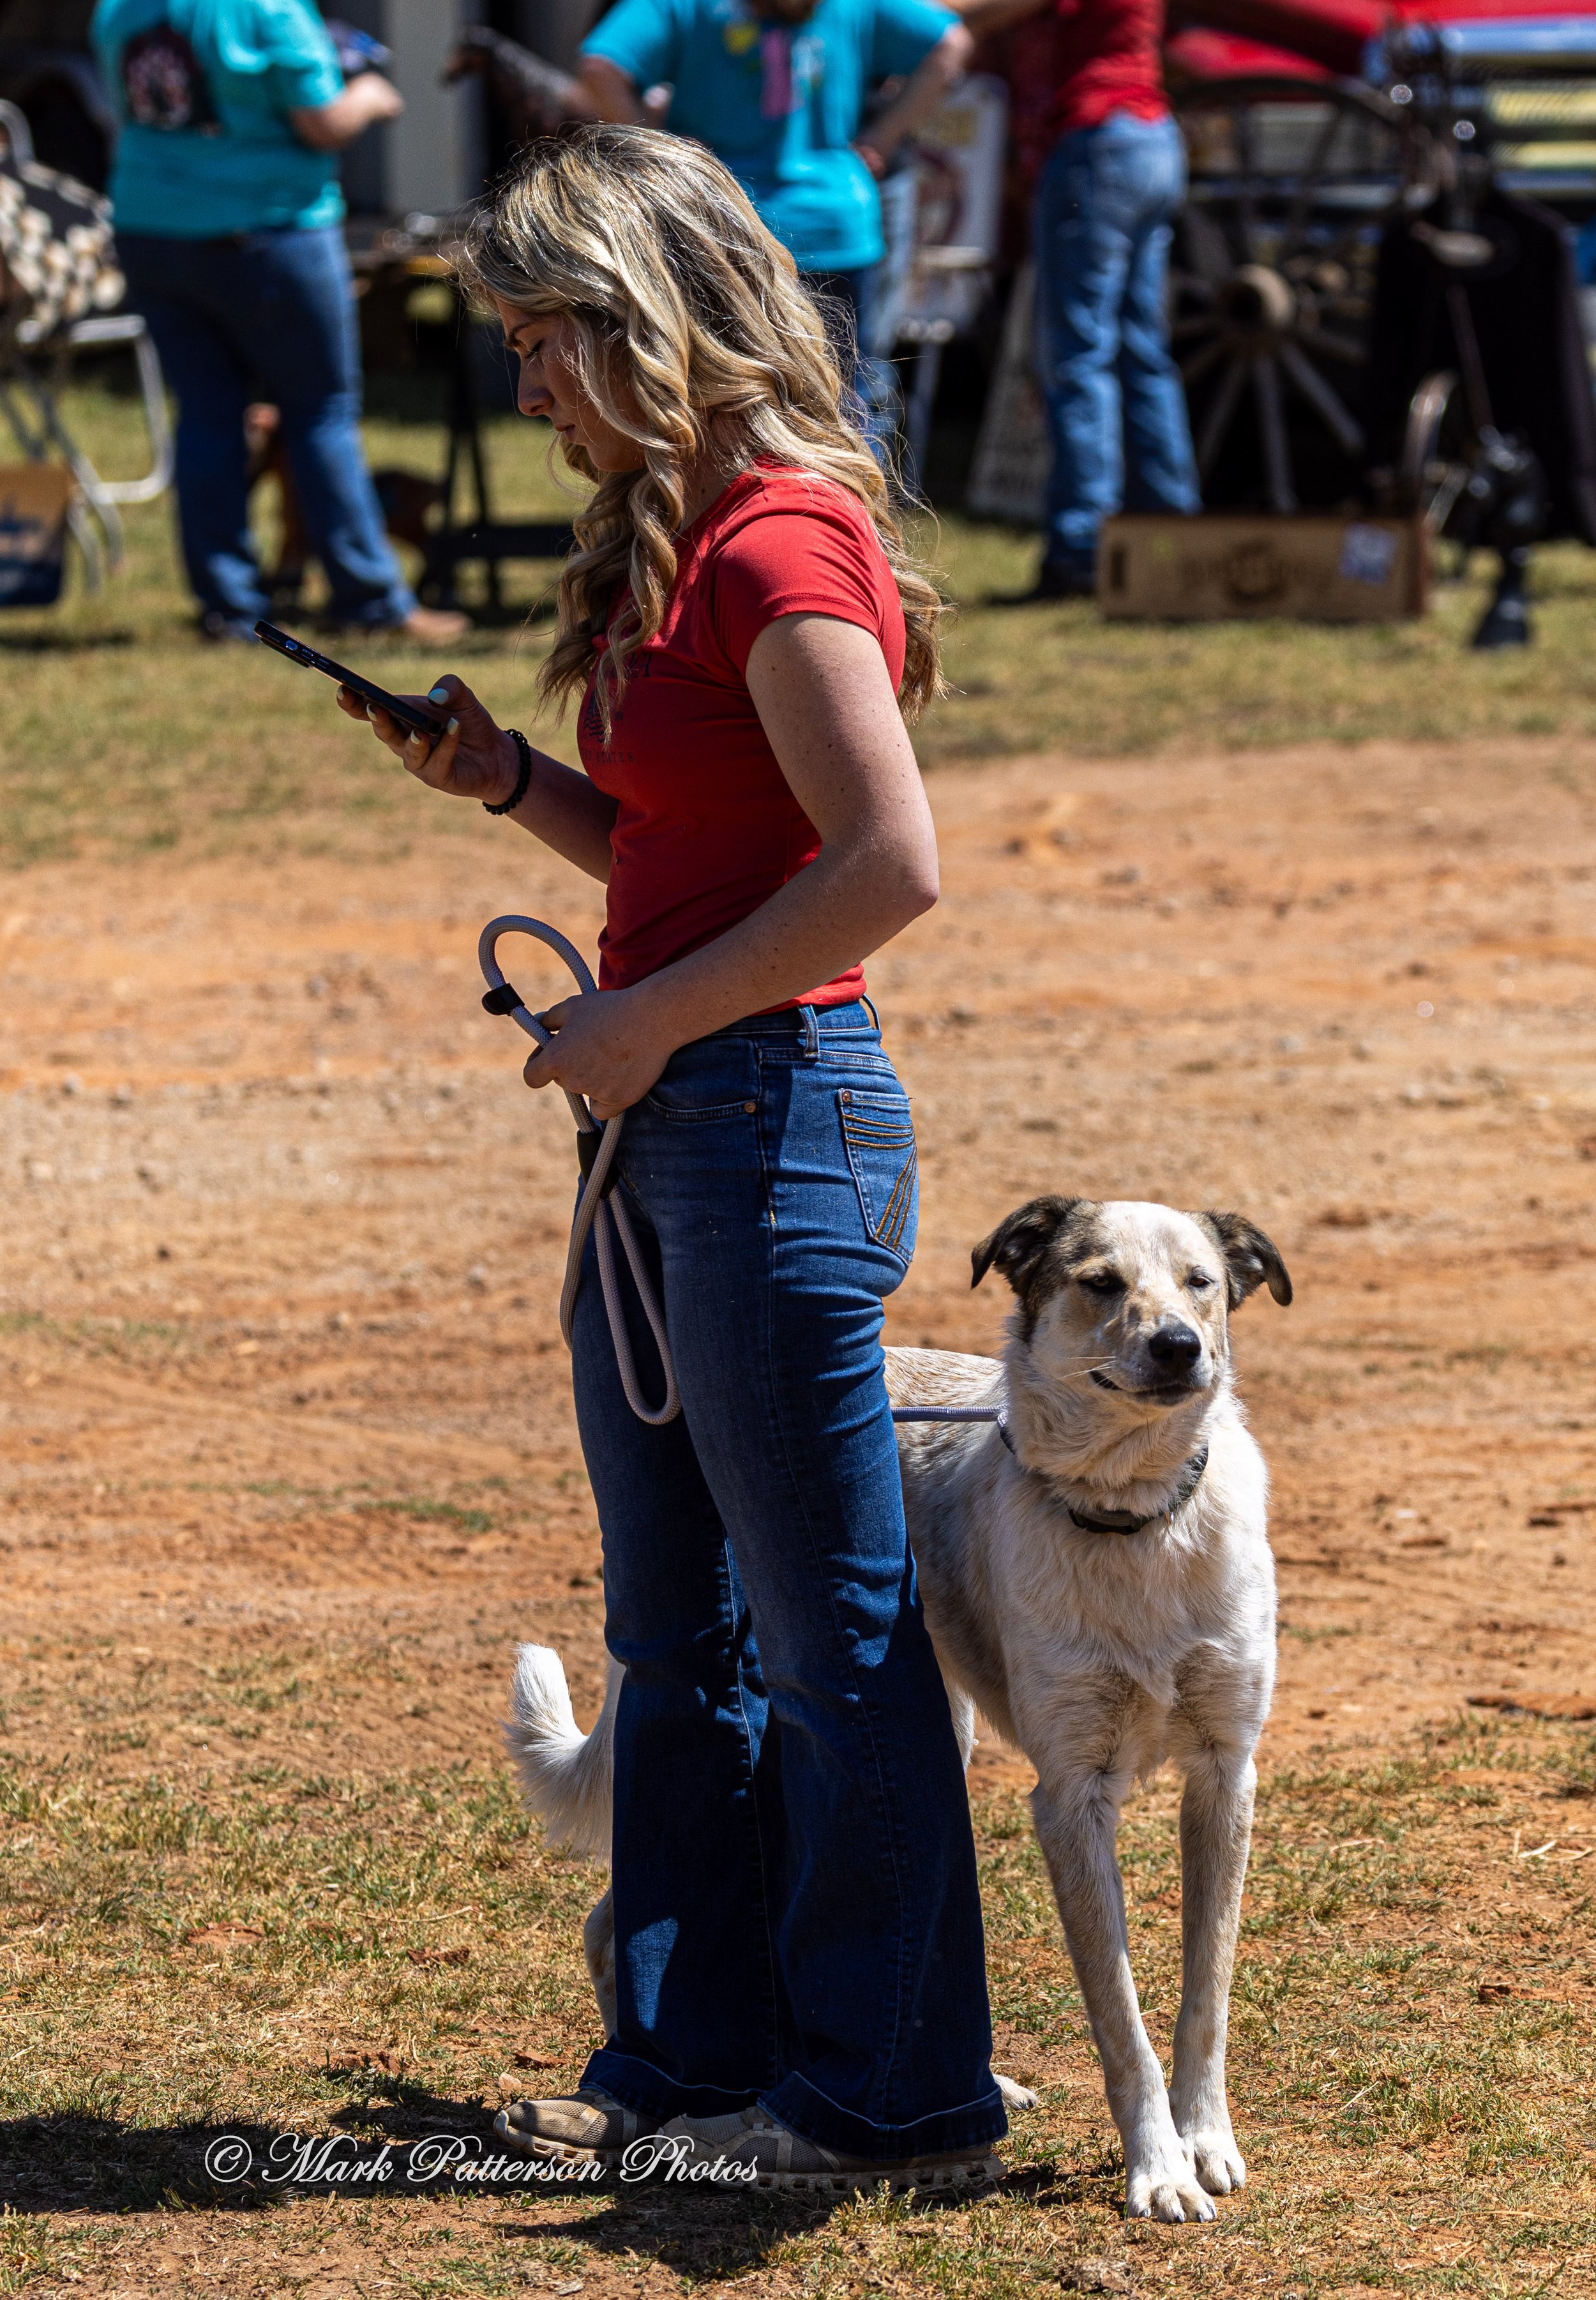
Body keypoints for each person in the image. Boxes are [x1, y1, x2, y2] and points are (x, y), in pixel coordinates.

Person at [343, 124, 1006, 2190]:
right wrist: (516, 782)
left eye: (548, 340)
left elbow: (889, 867)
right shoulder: (683, 535)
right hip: (685, 1126)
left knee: (828, 1635)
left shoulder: (772, 545)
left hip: (759, 1118)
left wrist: (640, 1022)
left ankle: (889, 2095)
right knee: (682, 1632)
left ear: (651, 321)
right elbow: (699, 862)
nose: (525, 384)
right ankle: (689, 2058)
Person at [89, 0, 465, 644]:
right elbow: (322, 121)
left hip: (151, 228)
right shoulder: (269, 9)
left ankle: (229, 606)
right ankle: (368, 599)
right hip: (266, 230)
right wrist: (373, 95)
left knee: (208, 412)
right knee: (321, 411)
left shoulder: (118, 7)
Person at [571, 0, 973, 459]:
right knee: (830, 401)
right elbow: (950, 44)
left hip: (749, 232)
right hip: (779, 232)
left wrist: (665, 157)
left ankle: (808, 523)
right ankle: (840, 522)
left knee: (758, 403)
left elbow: (601, 66)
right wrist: (883, 136)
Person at [967, 0, 1200, 596]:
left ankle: (1082, 551)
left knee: (1077, 357)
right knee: (1140, 350)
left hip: (1097, 140)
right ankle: (1168, 532)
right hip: (1148, 135)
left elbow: (981, 13)